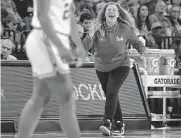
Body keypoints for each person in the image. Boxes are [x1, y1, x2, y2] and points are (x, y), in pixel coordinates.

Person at [17, 0, 86, 138]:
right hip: (46, 38)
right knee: (66, 96)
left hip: (54, 38)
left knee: (40, 97)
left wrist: (78, 44)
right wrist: (59, 45)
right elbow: (42, 15)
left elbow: (70, 13)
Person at [83, 2, 146, 136]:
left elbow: (137, 42)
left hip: (121, 65)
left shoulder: (125, 28)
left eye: (114, 10)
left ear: (118, 14)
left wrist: (142, 52)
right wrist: (90, 35)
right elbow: (85, 47)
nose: (111, 12)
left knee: (111, 92)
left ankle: (107, 122)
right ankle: (119, 124)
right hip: (101, 66)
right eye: (109, 10)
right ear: (104, 14)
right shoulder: (97, 27)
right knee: (111, 95)